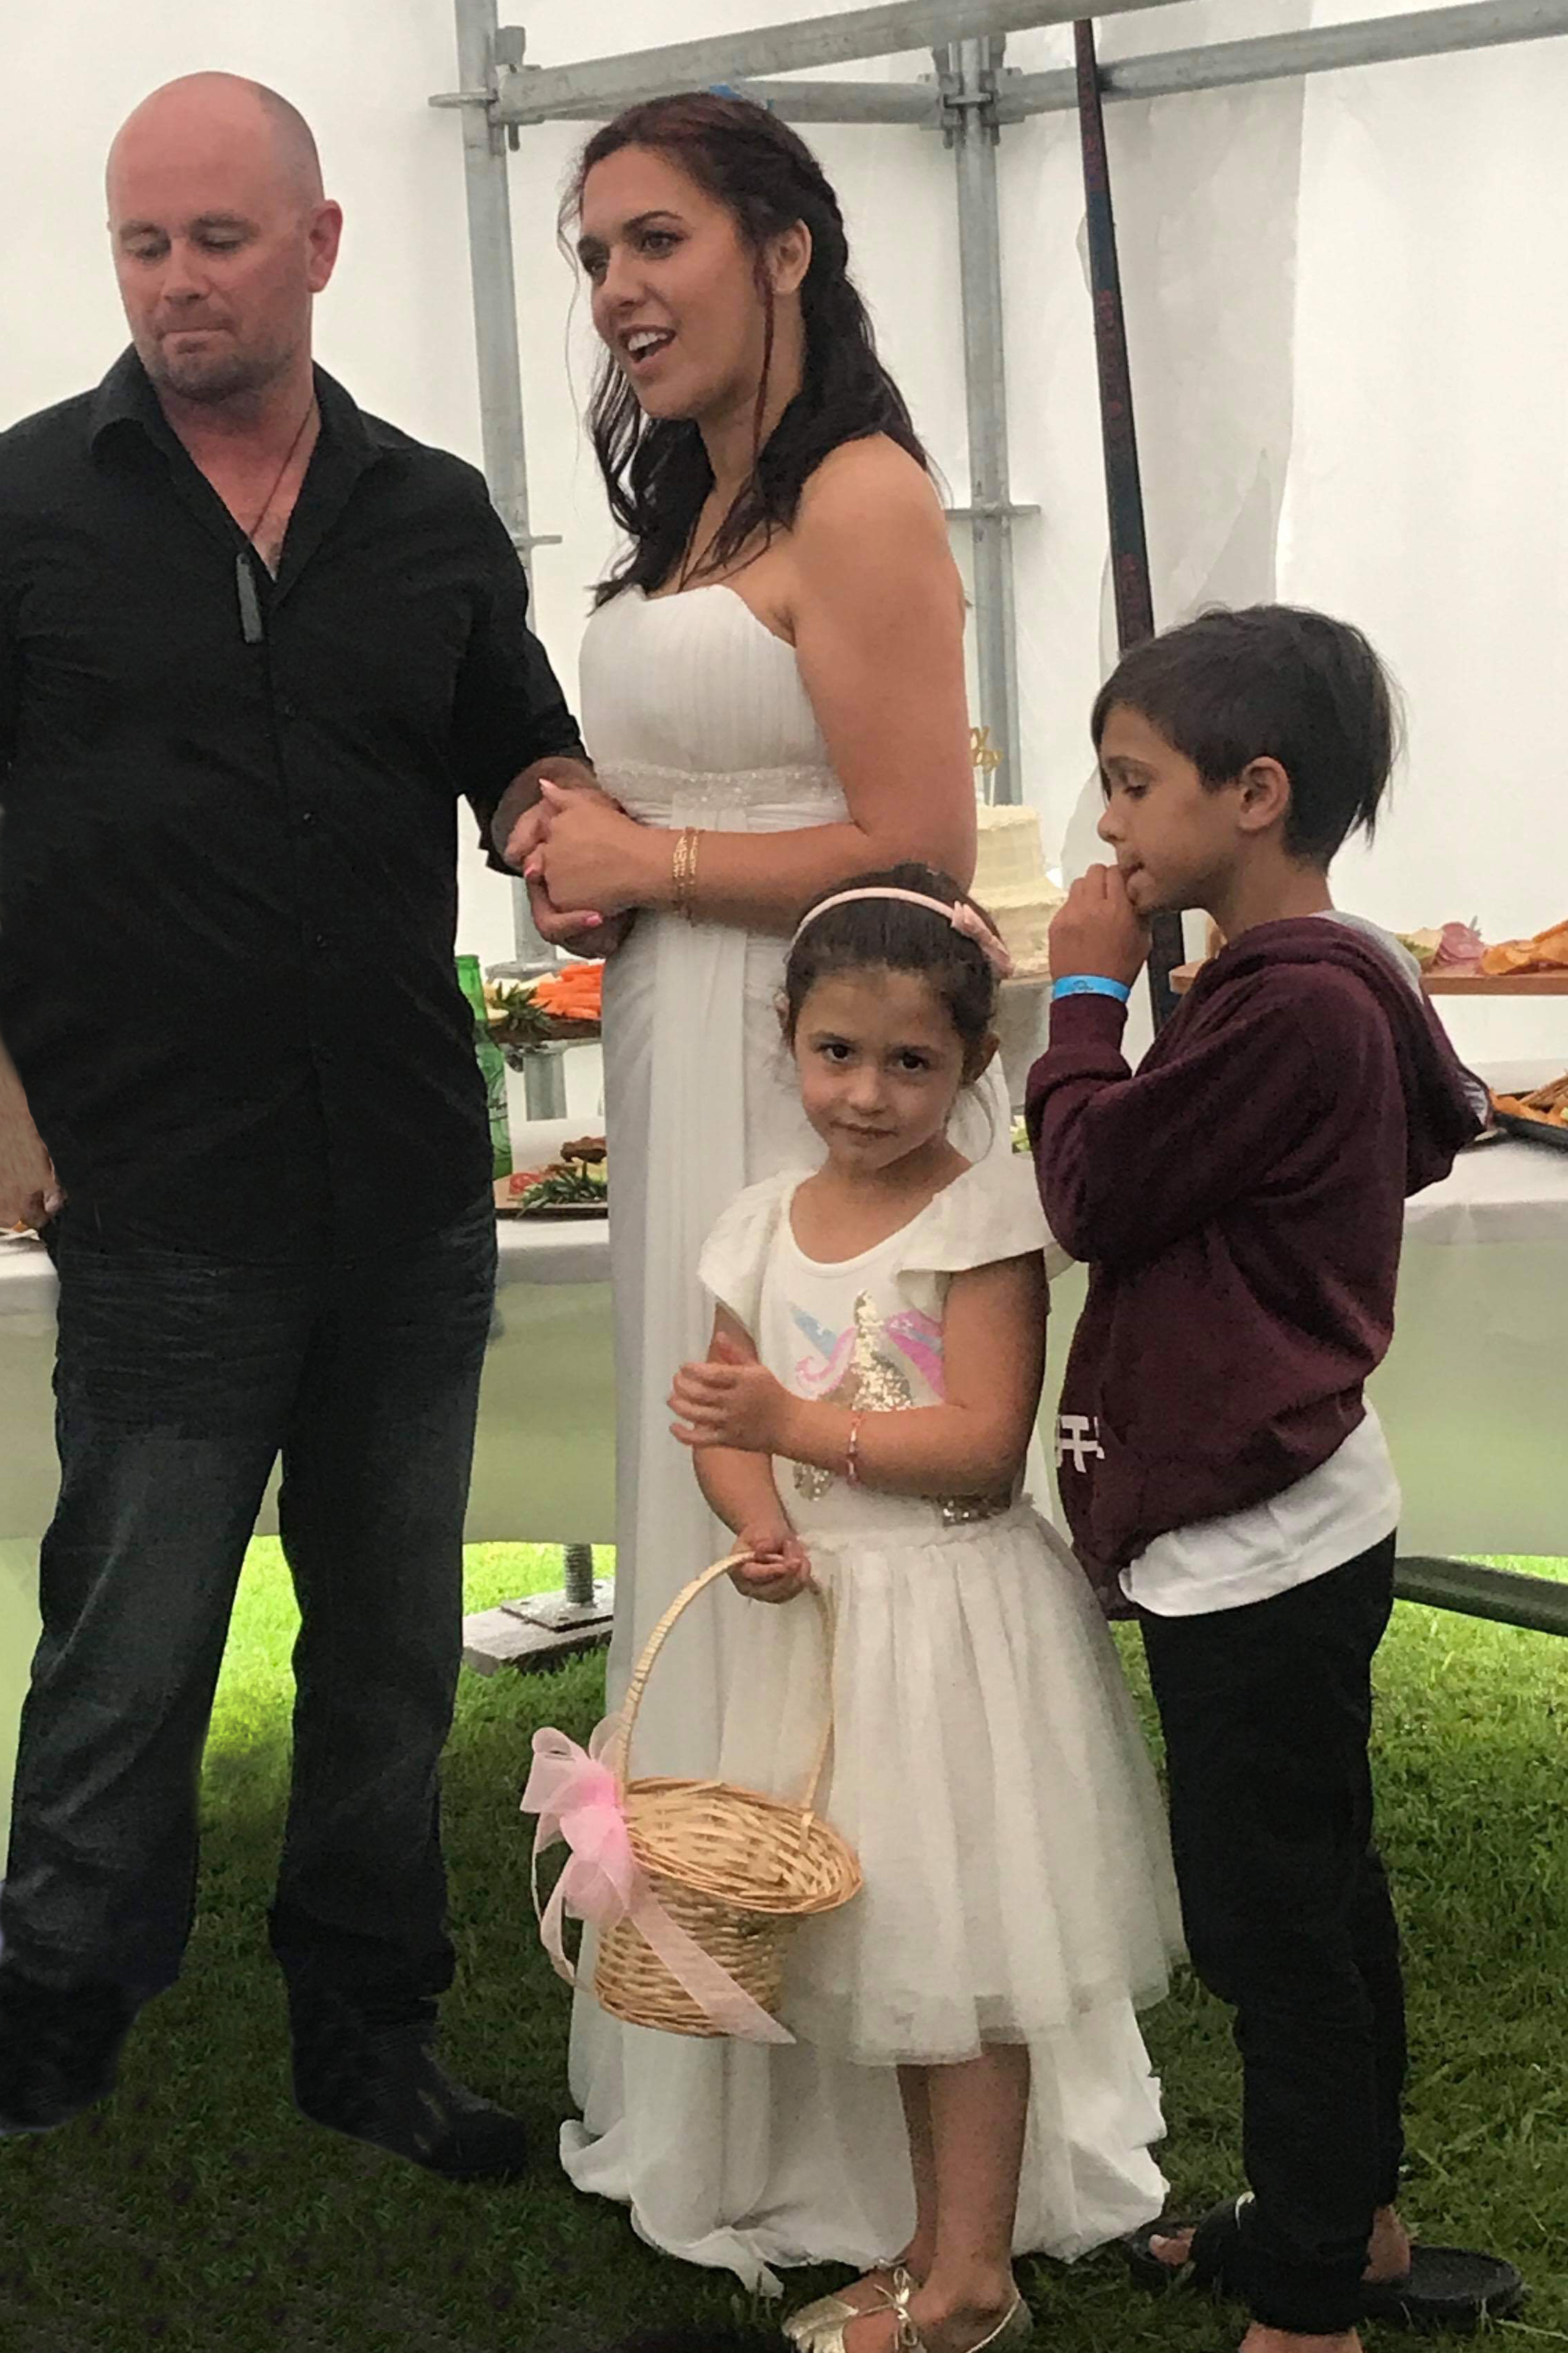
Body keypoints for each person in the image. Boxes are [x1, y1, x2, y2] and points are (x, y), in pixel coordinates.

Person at [0, 73, 593, 2173]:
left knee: (390, 1651)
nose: (176, 281)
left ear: (319, 245)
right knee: (133, 1638)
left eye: (218, 240)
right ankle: (53, 2011)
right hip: (155, 1186)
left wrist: (563, 824)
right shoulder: (26, 506)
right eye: (142, 244)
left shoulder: (427, 510)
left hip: (408, 1185)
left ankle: (366, 2021)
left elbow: (517, 749)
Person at [495, 95, 1011, 2273]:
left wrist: (662, 856)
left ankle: (881, 2124)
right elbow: (697, 787)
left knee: (819, 1537)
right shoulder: (694, 502)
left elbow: (919, 840)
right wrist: (571, 830)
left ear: (784, 243)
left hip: (815, 1090)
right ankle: (699, 2033)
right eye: (593, 257)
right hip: (669, 1045)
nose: (617, 292)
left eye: (656, 241)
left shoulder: (859, 490)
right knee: (698, 1489)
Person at [1024, 607, 1522, 2353]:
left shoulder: (1286, 1005)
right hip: (1296, 1513)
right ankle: (1348, 2221)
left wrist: (1081, 998)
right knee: (1320, 1883)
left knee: (1271, 1927)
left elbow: (1089, 1186)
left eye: (1128, 782)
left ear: (1252, 792)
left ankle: (1309, 2301)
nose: (1106, 824)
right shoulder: (1328, 975)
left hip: (1254, 1537)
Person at [665, 867, 1183, 2353]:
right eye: (836, 1052)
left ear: (972, 1060)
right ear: (786, 1032)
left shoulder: (985, 1214)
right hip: (833, 1630)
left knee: (965, 1952)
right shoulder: (757, 1226)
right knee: (900, 1944)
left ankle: (966, 2277)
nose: (868, 1093)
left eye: (911, 1061)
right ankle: (936, 2249)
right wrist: (756, 1514)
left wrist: (791, 1421)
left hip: (955, 1624)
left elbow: (977, 1444)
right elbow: (719, 1420)